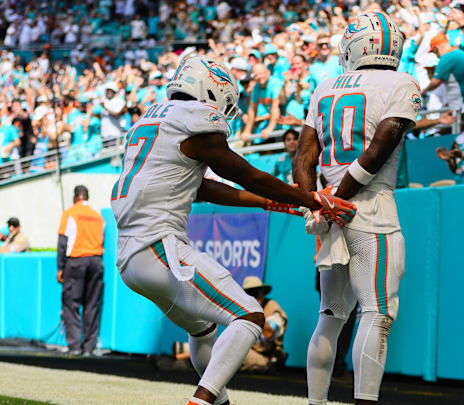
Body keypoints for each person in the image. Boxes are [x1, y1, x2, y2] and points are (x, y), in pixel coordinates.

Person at [111, 55, 356, 405]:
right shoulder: (197, 118)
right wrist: (310, 198)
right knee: (249, 315)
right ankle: (201, 401)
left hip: (130, 257)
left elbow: (201, 188)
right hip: (158, 245)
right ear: (213, 89)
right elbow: (241, 172)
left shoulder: (151, 118)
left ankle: (220, 403)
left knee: (202, 329)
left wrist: (268, 202)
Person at [293, 12, 421, 405]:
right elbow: (381, 145)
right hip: (369, 207)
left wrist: (315, 200)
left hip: (331, 213)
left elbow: (303, 156)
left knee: (330, 316)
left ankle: (316, 402)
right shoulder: (401, 82)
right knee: (377, 312)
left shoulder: (325, 86)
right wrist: (339, 195)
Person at [57, 185, 105, 357]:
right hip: (96, 261)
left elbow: (63, 242)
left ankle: (75, 346)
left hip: (76, 261)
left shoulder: (69, 213)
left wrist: (60, 268)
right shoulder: (98, 217)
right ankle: (89, 348)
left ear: (75, 196)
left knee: (71, 304)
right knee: (91, 305)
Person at [239, 276, 288, 373]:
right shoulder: (241, 310)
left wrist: (255, 312)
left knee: (241, 357)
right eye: (249, 293)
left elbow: (269, 333)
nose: (254, 296)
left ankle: (270, 364)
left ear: (262, 293)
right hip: (248, 350)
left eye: (256, 292)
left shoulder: (271, 307)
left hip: (266, 353)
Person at [422, 33, 464, 109]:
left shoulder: (447, 57)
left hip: (463, 102)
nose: (436, 55)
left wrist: (424, 91)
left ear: (436, 49)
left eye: (434, 52)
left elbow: (436, 82)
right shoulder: (459, 53)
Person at [241, 63, 283, 143]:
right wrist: (247, 131)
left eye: (261, 74)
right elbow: (252, 110)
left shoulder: (275, 83)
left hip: (287, 123)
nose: (259, 77)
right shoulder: (256, 87)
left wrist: (269, 128)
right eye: (256, 75)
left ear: (268, 72)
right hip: (277, 125)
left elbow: (275, 107)